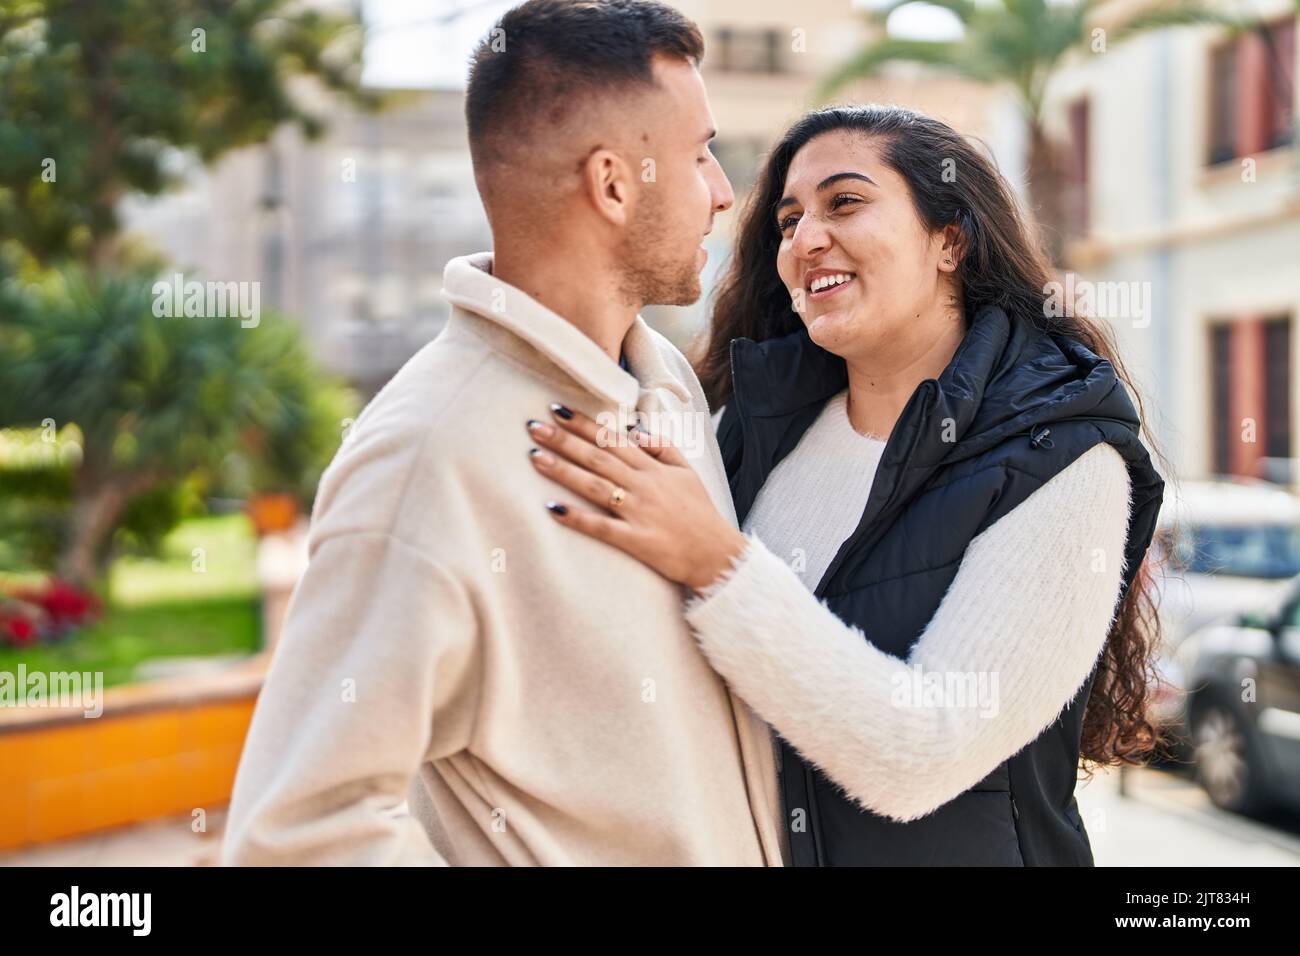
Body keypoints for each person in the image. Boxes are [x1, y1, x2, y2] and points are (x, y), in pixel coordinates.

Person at [524, 104, 1168, 866]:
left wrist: (716, 563)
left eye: (846, 202)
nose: (805, 239)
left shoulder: (1061, 454)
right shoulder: (752, 426)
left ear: (951, 239)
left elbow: (921, 754)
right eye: (789, 221)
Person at [221, 0, 785, 866]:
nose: (722, 190)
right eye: (699, 153)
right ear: (612, 181)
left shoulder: (663, 385)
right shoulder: (426, 455)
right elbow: (299, 830)